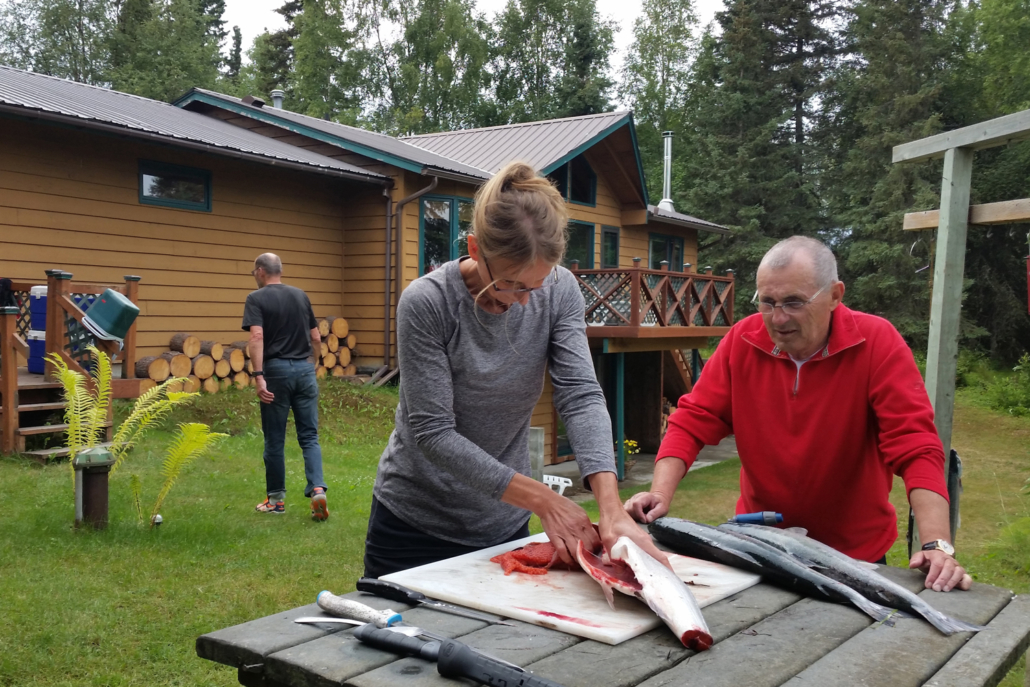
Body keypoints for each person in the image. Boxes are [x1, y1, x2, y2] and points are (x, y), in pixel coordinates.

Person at [363, 161, 668, 578]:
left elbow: (580, 396)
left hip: (504, 525)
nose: (524, 301)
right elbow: (433, 433)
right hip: (414, 526)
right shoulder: (428, 302)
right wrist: (544, 499)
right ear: (475, 249)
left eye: (536, 285)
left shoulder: (560, 290)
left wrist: (611, 508)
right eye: (511, 283)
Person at [625, 236, 972, 592]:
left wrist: (936, 543)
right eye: (767, 302)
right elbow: (691, 421)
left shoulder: (877, 342)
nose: (778, 318)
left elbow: (915, 445)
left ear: (835, 295)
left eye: (794, 302)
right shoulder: (742, 340)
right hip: (760, 545)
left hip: (853, 556)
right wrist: (660, 494)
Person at [243, 252, 329, 521]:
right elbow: (316, 337)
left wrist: (259, 376)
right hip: (304, 371)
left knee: (275, 438)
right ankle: (317, 489)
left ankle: (276, 501)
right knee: (309, 436)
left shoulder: (256, 298)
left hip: (276, 372)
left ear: (260, 271)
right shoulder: (300, 295)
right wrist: (313, 363)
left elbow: (257, 336)